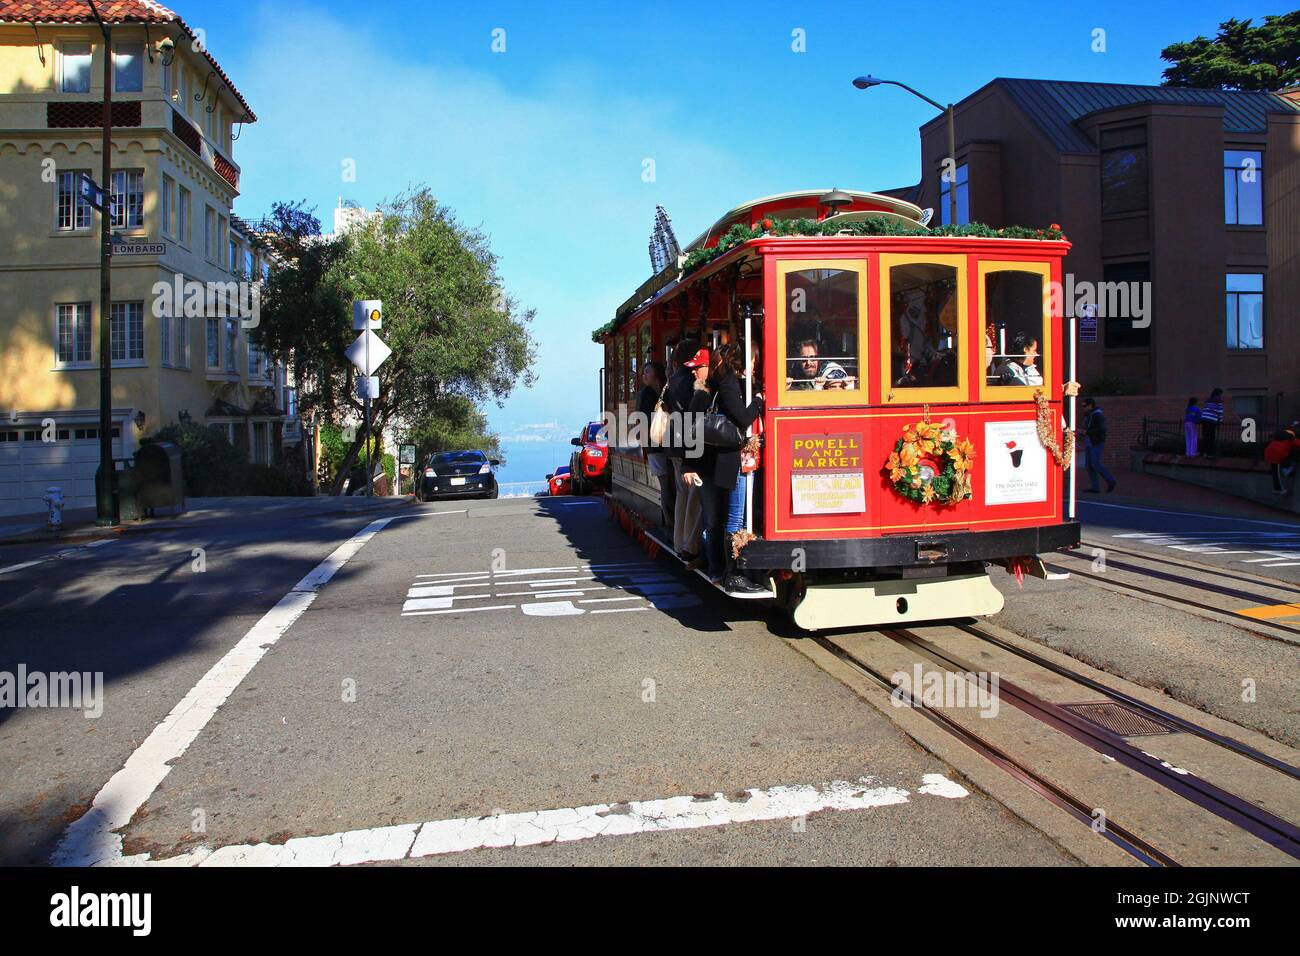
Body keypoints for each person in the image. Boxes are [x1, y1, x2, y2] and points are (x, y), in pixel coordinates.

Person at [683, 343, 765, 593]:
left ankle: (718, 569)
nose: (694, 372)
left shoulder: (714, 388)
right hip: (725, 462)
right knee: (730, 518)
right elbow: (741, 419)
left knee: (715, 519)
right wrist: (759, 401)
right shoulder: (726, 386)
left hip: (713, 463)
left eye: (699, 367)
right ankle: (730, 573)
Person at [666, 340, 704, 564]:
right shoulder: (689, 380)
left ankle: (678, 542)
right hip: (689, 444)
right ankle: (691, 544)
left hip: (675, 444)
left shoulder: (673, 379)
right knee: (694, 497)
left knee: (682, 495)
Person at [637, 360, 674, 528]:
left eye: (648, 372)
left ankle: (671, 521)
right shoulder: (647, 395)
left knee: (668, 484)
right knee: (666, 484)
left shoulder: (659, 392)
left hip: (662, 445)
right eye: (643, 372)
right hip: (656, 446)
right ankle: (670, 522)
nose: (644, 375)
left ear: (656, 374)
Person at [1081, 397, 1117, 494]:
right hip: (1089, 442)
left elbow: (1101, 429)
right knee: (1089, 466)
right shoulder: (1088, 415)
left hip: (1096, 442)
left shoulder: (1098, 415)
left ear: (1090, 405)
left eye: (1085, 406)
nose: (1083, 408)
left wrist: (1087, 432)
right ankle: (1095, 487)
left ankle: (1111, 480)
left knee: (1095, 464)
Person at [787, 339, 852, 390]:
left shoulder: (831, 370)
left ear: (820, 358)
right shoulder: (796, 373)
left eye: (813, 358)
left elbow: (838, 395)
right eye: (804, 359)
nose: (808, 363)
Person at [1264, 424, 1299, 495]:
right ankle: (1278, 489)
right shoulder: (1290, 438)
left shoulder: (1281, 436)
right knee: (1276, 474)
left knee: (1275, 472)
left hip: (1270, 453)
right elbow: (1298, 443)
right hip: (1276, 456)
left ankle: (1285, 471)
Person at [1201, 388, 1225, 459]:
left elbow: (1204, 408)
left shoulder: (1208, 399)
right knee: (1211, 437)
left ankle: (1204, 453)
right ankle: (1210, 453)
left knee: (1205, 436)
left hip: (1204, 419)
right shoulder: (1219, 400)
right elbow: (1220, 411)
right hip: (1211, 420)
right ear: (1219, 393)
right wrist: (1220, 421)